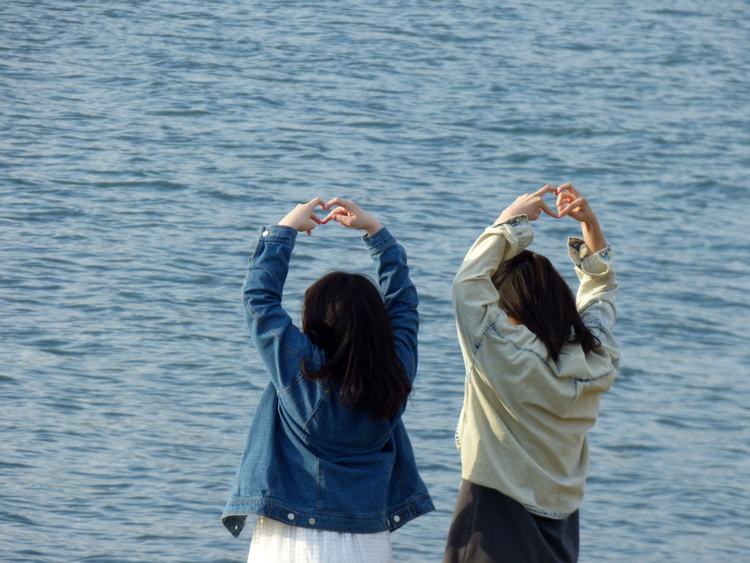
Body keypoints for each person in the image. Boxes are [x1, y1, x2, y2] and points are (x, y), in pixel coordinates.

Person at [222, 197, 434, 563]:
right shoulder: (395, 371)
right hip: (369, 540)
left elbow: (258, 298)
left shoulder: (302, 370)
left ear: (316, 322)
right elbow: (403, 305)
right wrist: (376, 233)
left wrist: (285, 230)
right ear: (376, 325)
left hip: (295, 539)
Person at [443, 184, 619, 563]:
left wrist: (509, 223)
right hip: (561, 530)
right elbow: (600, 293)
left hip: (492, 519)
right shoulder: (595, 360)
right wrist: (591, 226)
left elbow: (466, 287)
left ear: (511, 310)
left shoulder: (504, 356)